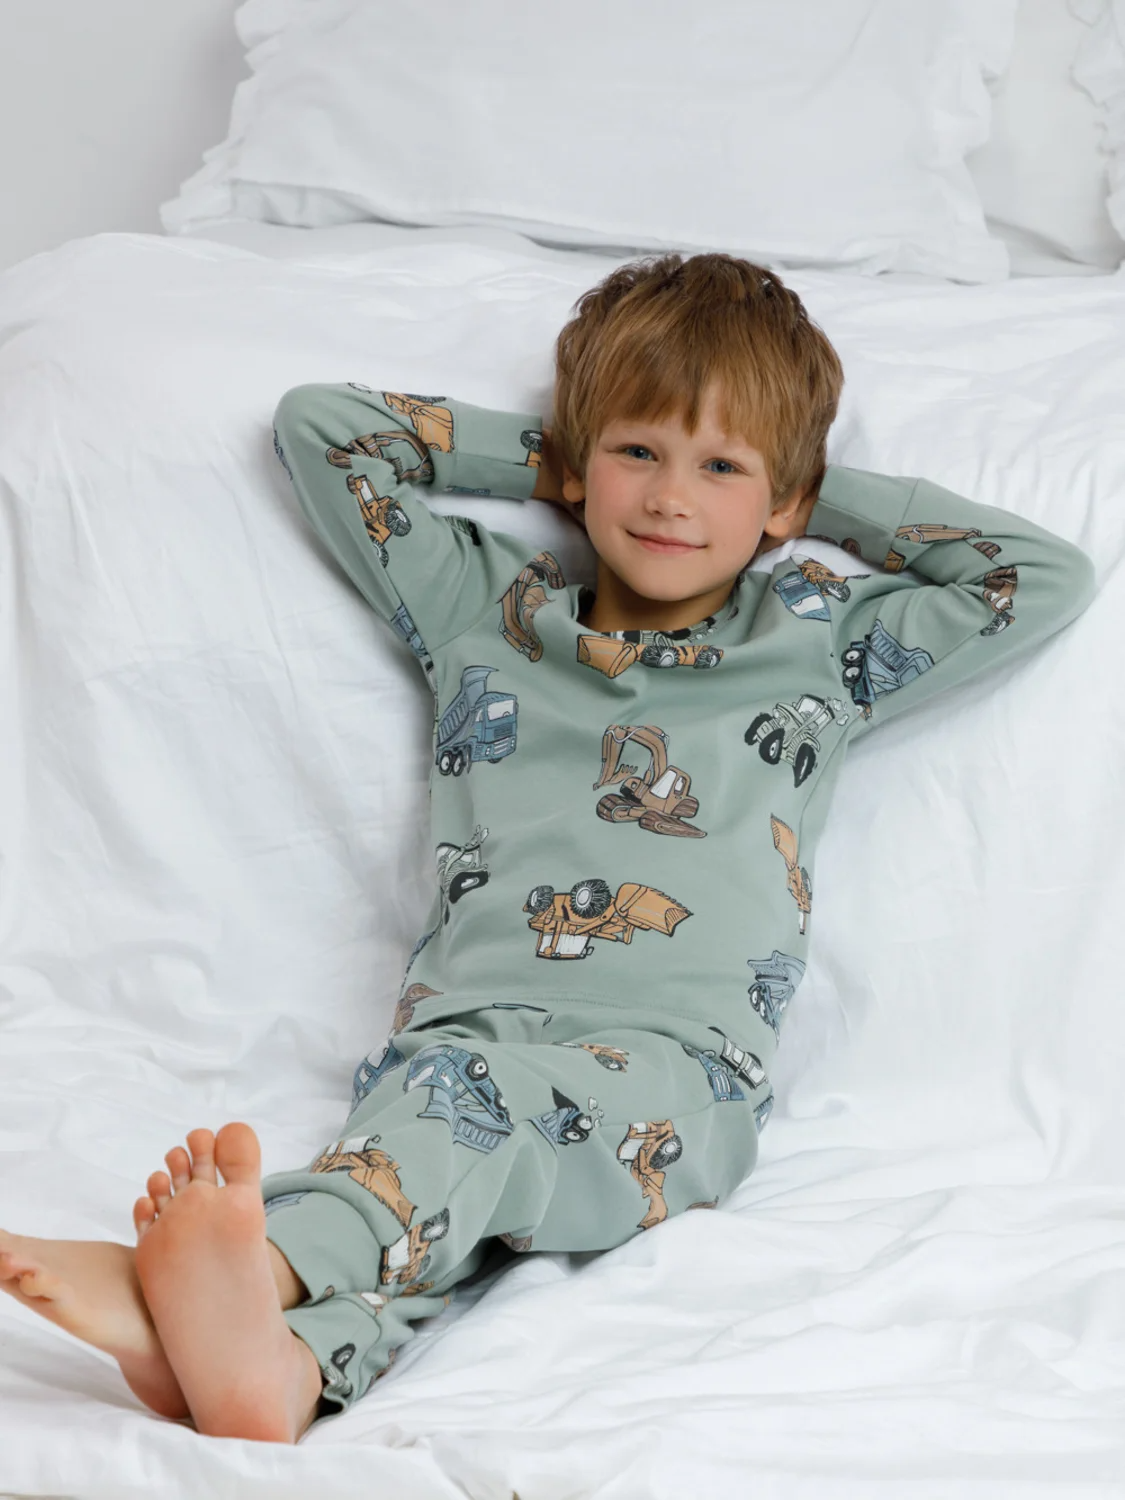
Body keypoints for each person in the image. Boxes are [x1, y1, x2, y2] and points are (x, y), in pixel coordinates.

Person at [0, 253, 1097, 1443]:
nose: (671, 498)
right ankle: (276, 1371)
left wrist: (807, 493)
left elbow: (1039, 575)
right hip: (458, 1032)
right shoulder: (490, 612)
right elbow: (323, 430)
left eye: (720, 467)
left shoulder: (818, 646)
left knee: (463, 1129)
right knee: (439, 1179)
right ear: (581, 465)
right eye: (639, 452)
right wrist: (563, 458)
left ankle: (247, 1274)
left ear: (781, 500)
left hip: (678, 1076)